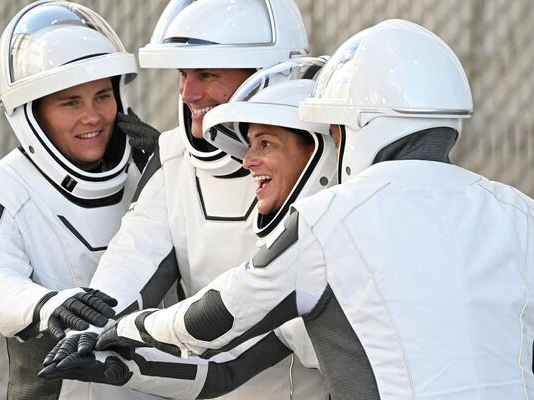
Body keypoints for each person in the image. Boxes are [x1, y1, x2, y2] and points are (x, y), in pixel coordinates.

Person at [66, 19, 534, 399]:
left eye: (334, 130)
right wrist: (119, 372)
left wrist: (123, 327)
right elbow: (223, 373)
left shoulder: (330, 220)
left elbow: (214, 319)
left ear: (357, 126)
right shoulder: (519, 212)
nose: (248, 161)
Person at [41, 1, 330, 398]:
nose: (188, 92)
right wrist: (92, 324)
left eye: (208, 74)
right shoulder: (174, 156)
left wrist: (132, 329)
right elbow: (134, 257)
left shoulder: (323, 154)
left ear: (266, 73)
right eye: (183, 74)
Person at [0, 1, 160, 399]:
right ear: (32, 114)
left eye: (103, 96)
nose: (93, 117)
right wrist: (49, 306)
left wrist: (177, 177)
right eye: (71, 102)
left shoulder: (151, 170)